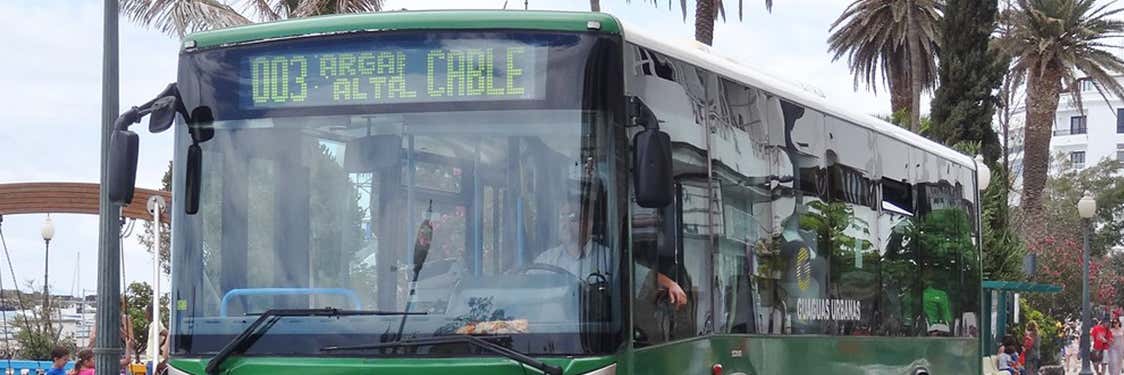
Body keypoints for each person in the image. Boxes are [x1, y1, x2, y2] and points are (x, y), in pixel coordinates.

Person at [534, 198, 687, 308]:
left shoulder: (608, 258)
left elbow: (641, 277)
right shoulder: (545, 260)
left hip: (595, 335)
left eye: (573, 217)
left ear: (589, 223)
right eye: (562, 216)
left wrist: (671, 285)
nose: (565, 223)